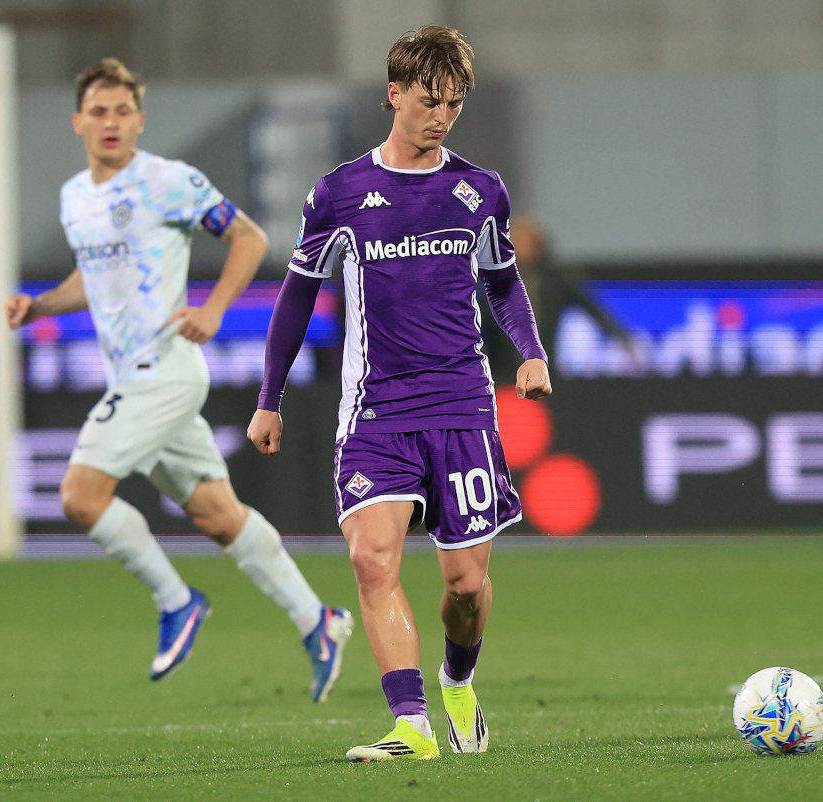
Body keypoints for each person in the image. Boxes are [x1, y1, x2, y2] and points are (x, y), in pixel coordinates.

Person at [248, 27, 551, 761]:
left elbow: (503, 281)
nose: (441, 115)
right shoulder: (340, 194)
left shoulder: (480, 190)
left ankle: (456, 681)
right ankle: (411, 726)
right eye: (427, 99)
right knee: (372, 559)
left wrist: (532, 353)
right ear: (394, 94)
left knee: (466, 589)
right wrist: (270, 396)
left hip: (463, 409)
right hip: (376, 414)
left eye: (453, 103)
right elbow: (295, 298)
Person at [4, 59, 352, 696]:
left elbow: (246, 238)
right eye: (99, 111)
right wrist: (40, 305)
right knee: (219, 516)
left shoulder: (168, 181)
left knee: (80, 496)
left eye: (122, 111)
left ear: (140, 119)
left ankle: (176, 602)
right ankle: (318, 619)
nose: (110, 122)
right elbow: (95, 277)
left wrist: (214, 308)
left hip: (162, 372)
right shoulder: (74, 197)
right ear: (78, 121)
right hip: (136, 377)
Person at [480, 214, 636, 382]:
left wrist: (622, 337)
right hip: (505, 374)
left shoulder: (555, 279)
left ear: (538, 245)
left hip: (545, 372)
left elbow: (591, 307)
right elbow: (480, 320)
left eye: (525, 242)